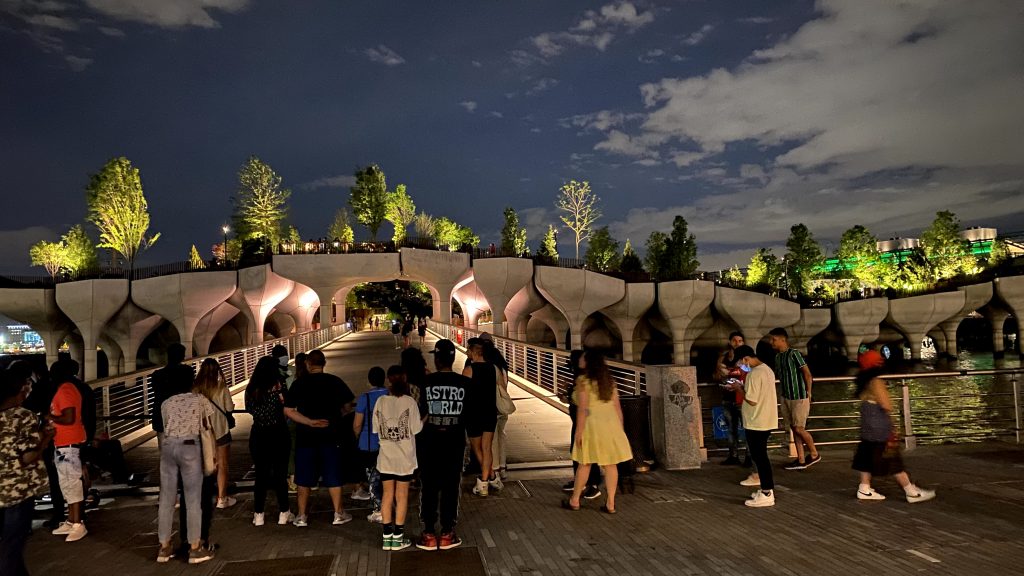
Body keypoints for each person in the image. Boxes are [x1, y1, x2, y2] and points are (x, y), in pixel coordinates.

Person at [852, 350, 936, 503]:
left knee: (867, 457)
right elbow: (886, 405)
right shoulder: (876, 381)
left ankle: (864, 488)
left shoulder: (863, 382)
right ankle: (911, 492)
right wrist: (893, 427)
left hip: (867, 428)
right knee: (892, 459)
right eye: (879, 361)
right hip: (879, 428)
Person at [284, 349, 355, 527]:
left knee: (303, 478)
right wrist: (339, 413)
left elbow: (288, 410)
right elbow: (348, 404)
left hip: (306, 438)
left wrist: (309, 421)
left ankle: (301, 516)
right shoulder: (335, 381)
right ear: (324, 364)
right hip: (331, 435)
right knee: (333, 475)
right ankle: (338, 513)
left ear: (308, 364)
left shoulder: (299, 384)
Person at [416, 339, 473, 551]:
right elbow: (469, 415)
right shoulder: (464, 384)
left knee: (429, 486)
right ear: (453, 358)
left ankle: (429, 533)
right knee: (451, 486)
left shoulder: (425, 383)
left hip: (428, 443)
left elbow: (418, 413)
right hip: (455, 443)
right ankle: (448, 532)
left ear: (436, 359)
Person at [156, 367, 217, 564]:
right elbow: (207, 426)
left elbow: (166, 427)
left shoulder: (166, 403)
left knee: (166, 499)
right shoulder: (199, 400)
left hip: (168, 447)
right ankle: (195, 548)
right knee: (192, 500)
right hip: (190, 447)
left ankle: (164, 548)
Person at [561, 351, 632, 514]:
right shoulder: (609, 381)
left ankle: (575, 500)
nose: (580, 359)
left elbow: (583, 410)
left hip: (592, 426)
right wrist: (620, 430)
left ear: (588, 362)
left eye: (583, 357)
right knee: (610, 465)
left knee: (585, 463)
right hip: (611, 425)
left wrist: (579, 431)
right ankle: (611, 503)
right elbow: (617, 408)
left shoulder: (583, 381)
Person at [1, 366, 55, 575]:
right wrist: (46, 438)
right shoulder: (23, 417)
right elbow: (28, 456)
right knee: (12, 546)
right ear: (20, 390)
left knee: (9, 547)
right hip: (18, 489)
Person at [375, 365, 422, 551]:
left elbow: (375, 428)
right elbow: (416, 429)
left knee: (387, 495)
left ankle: (387, 538)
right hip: (405, 458)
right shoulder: (410, 402)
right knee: (401, 496)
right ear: (405, 380)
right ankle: (398, 538)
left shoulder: (380, 402)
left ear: (388, 380)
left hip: (386, 456)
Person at [245, 357, 294, 527]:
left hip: (259, 433)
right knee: (280, 474)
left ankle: (258, 514)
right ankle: (284, 512)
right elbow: (288, 406)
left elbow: (249, 409)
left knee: (261, 475)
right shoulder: (279, 386)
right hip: (279, 432)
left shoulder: (251, 389)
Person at [732, 346, 778, 508]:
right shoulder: (767, 370)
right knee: (761, 456)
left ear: (746, 358)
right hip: (767, 419)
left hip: (756, 421)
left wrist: (739, 389)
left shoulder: (753, 374)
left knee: (760, 457)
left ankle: (767, 492)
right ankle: (766, 489)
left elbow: (752, 400)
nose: (740, 366)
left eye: (740, 362)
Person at [769, 327, 821, 470]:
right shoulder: (778, 357)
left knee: (799, 427)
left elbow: (807, 373)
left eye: (773, 339)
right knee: (794, 428)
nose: (771, 342)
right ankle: (801, 458)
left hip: (799, 396)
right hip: (786, 396)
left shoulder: (794, 354)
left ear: (782, 340)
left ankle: (814, 453)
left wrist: (809, 392)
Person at [47, 358, 87, 542]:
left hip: (69, 444)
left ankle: (78, 523)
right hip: (64, 444)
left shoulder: (66, 390)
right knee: (67, 485)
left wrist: (49, 417)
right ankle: (71, 521)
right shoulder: (68, 388)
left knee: (72, 484)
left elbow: (69, 418)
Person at [194, 359, 236, 509]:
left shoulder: (195, 389)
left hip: (202, 433)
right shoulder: (221, 387)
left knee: (202, 465)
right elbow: (229, 408)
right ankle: (222, 498)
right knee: (223, 465)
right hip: (221, 431)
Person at [560, 350, 601, 500]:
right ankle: (581, 483)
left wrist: (569, 397)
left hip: (585, 422)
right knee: (580, 453)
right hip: (581, 420)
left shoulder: (585, 379)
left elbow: (584, 403)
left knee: (587, 454)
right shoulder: (582, 377)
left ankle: (592, 485)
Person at [462, 338, 498, 497]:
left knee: (476, 447)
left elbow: (463, 393)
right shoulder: (493, 368)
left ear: (475, 352)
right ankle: (489, 476)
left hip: (473, 413)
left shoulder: (469, 370)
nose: (467, 352)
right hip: (490, 411)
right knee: (487, 447)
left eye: (468, 350)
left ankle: (484, 484)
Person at [352, 367, 389, 522]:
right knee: (386, 477)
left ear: (369, 381)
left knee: (372, 477)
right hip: (387, 443)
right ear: (384, 379)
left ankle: (378, 509)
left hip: (368, 443)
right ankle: (388, 505)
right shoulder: (389, 395)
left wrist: (357, 436)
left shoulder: (364, 398)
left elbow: (357, 424)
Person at [483, 336, 514, 485]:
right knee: (502, 435)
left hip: (492, 407)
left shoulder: (489, 367)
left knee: (493, 438)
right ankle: (503, 467)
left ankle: (494, 469)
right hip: (503, 406)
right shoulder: (502, 364)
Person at [716, 332, 749, 466]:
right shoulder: (723, 358)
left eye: (740, 340)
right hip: (727, 397)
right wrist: (722, 379)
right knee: (730, 428)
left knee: (748, 429)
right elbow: (717, 375)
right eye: (734, 340)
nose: (737, 343)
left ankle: (749, 457)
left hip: (742, 398)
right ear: (730, 342)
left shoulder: (746, 359)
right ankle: (733, 456)